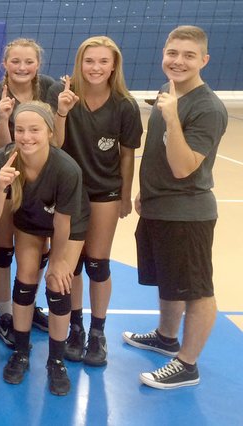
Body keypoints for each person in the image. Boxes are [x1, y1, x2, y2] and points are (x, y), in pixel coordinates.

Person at [123, 25, 227, 389]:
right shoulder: (168, 91)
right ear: (163, 53)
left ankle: (187, 364)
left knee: (196, 289)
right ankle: (167, 337)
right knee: (169, 279)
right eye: (173, 53)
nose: (178, 61)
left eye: (188, 55)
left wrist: (171, 117)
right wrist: (145, 191)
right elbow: (158, 154)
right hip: (157, 207)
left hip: (187, 214)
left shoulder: (207, 107)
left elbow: (184, 167)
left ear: (204, 60)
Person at [48, 36, 142, 366]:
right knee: (69, 264)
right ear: (79, 62)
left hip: (106, 191)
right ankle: (75, 327)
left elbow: (127, 155)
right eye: (90, 61)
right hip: (67, 192)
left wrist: (126, 194)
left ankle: (97, 333)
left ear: (114, 65)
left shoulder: (125, 105)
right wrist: (61, 111)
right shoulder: (62, 95)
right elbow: (55, 144)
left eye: (103, 61)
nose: (96, 68)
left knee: (97, 263)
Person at [0, 101, 89, 396]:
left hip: (67, 224)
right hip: (30, 221)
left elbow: (63, 224)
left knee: (57, 283)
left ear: (49, 132)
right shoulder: (4, 159)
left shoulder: (66, 168)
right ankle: (21, 351)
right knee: (26, 278)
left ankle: (56, 361)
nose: (26, 136)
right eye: (20, 130)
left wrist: (57, 262)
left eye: (34, 130)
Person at [0, 38, 57, 347]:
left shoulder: (49, 89)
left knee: (38, 248)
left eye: (29, 62)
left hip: (41, 181)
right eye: (15, 61)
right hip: (4, 176)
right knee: (1, 248)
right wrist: (2, 117)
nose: (22, 67)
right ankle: (5, 314)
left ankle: (28, 304)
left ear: (37, 65)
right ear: (4, 64)